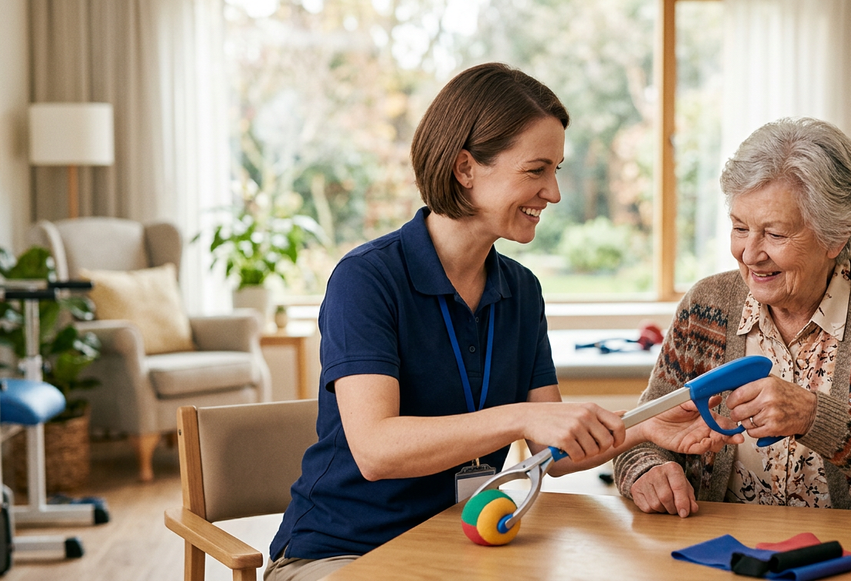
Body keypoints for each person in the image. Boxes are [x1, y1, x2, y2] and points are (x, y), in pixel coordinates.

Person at [265, 62, 732, 581]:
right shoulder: (366, 280)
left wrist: (646, 428)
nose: (553, 193)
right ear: (466, 168)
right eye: (536, 171)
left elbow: (549, 453)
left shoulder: (521, 290)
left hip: (462, 545)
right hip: (344, 554)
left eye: (556, 169)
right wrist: (519, 418)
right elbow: (377, 450)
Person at [614, 117, 851, 517]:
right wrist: (646, 469)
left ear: (836, 236)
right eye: (740, 227)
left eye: (775, 235)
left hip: (850, 555)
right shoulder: (705, 307)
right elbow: (643, 431)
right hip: (717, 552)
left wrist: (815, 416)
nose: (750, 253)